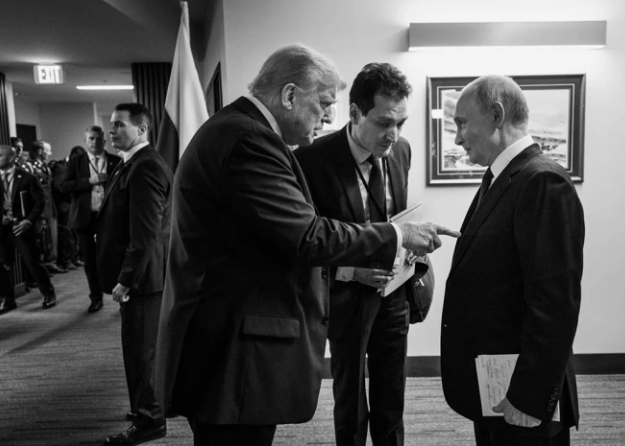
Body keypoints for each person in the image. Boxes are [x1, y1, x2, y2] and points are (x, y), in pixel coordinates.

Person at [153, 44, 459, 446]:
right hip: (232, 351)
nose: (328, 116)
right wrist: (399, 235)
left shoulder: (240, 130)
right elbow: (308, 235)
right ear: (290, 95)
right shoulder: (249, 140)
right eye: (324, 103)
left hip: (233, 338)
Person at [440, 75, 585, 446]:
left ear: (496, 114)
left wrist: (529, 398)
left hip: (522, 397)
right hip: (495, 385)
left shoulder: (542, 181)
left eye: (461, 123)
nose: (457, 138)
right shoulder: (503, 177)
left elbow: (555, 304)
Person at [295, 62, 433, 446]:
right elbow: (307, 241)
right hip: (344, 297)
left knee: (392, 395)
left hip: (395, 293)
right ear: (355, 112)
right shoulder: (311, 160)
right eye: (384, 122)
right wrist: (351, 272)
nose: (394, 134)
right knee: (350, 400)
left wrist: (409, 247)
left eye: (401, 123)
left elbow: (395, 218)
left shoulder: (400, 151)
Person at [95, 103, 173, 445]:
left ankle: (149, 421)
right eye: (111, 125)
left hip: (143, 280)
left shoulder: (146, 167)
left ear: (141, 129)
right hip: (142, 277)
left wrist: (126, 279)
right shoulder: (131, 163)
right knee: (141, 351)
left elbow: (145, 234)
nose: (111, 131)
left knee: (141, 354)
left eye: (119, 125)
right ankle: (146, 408)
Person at [61, 127, 119, 313]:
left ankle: (120, 296)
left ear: (104, 141)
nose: (95, 142)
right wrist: (89, 181)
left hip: (109, 217)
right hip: (85, 218)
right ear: (85, 140)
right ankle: (96, 298)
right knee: (89, 261)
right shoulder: (76, 161)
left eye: (99, 138)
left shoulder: (116, 160)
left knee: (114, 257)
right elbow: (64, 186)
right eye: (91, 139)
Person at [0, 145, 57, 313]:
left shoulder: (27, 178)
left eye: (0, 155)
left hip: (22, 227)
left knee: (33, 262)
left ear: (10, 158)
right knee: (3, 265)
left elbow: (39, 202)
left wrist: (29, 221)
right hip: (2, 229)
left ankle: (48, 293)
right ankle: (8, 299)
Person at [28, 140, 67, 274]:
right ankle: (44, 264)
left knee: (51, 235)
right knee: (42, 237)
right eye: (47, 150)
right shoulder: (30, 165)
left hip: (50, 204)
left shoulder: (45, 165)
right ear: (40, 151)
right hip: (40, 206)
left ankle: (51, 261)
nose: (49, 153)